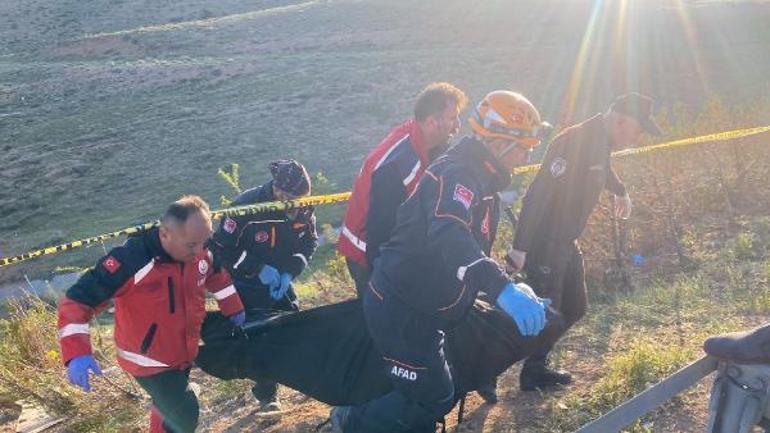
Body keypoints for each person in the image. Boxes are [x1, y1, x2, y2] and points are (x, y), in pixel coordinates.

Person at [331, 91, 552, 433]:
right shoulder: (459, 175)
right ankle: (352, 421)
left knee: (437, 388)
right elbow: (449, 233)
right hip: (402, 305)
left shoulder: (483, 177)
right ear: (499, 144)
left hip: (428, 302)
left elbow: (471, 244)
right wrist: (500, 289)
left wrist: (502, 282)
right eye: (523, 148)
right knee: (433, 395)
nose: (525, 157)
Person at [508, 92, 663, 391]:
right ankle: (507, 364)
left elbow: (603, 171)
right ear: (621, 121)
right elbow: (538, 194)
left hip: (566, 241)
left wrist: (621, 190)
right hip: (545, 242)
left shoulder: (601, 143)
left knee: (576, 307)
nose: (637, 138)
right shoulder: (573, 142)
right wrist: (520, 246)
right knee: (546, 312)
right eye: (637, 130)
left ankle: (534, 363)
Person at [58, 195, 245, 433]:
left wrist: (234, 307)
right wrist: (77, 352)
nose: (199, 251)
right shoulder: (132, 259)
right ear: (165, 233)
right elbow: (78, 300)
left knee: (167, 407)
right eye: (191, 245)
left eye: (204, 242)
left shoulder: (201, 250)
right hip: (147, 359)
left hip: (183, 349)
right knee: (185, 411)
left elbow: (217, 275)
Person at [337, 82, 468, 297]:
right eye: (453, 118)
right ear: (432, 122)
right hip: (367, 254)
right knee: (382, 318)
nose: (457, 126)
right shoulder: (397, 165)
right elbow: (379, 234)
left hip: (392, 248)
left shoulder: (427, 142)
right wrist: (386, 284)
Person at [209, 159, 318, 411]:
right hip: (246, 284)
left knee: (293, 326)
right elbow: (219, 249)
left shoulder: (305, 207)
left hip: (280, 281)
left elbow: (309, 243)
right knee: (259, 336)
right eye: (286, 195)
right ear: (277, 188)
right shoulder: (245, 207)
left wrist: (291, 272)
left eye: (297, 198)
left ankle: (302, 377)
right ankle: (267, 395)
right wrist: (257, 268)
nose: (291, 203)